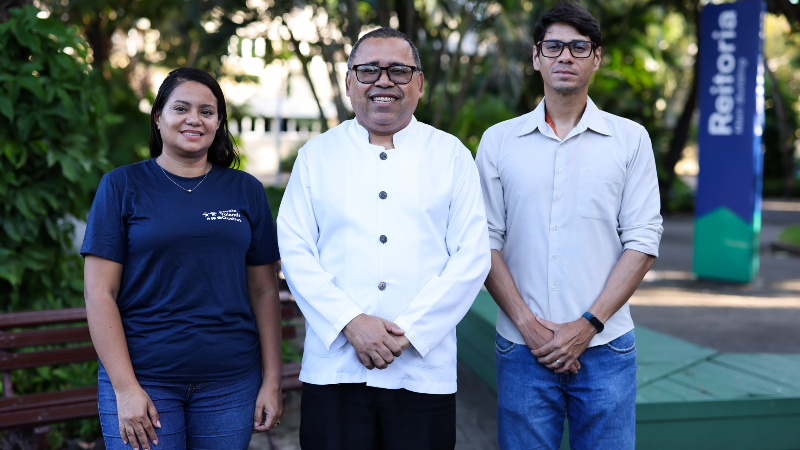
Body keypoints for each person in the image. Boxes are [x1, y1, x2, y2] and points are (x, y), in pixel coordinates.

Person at [277, 28, 490, 450]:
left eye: (398, 70)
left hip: (421, 371)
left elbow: (472, 257)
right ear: (349, 82)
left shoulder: (451, 156)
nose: (383, 81)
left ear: (419, 83)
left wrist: (407, 331)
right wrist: (351, 323)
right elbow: (295, 250)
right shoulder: (316, 156)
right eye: (369, 69)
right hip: (336, 369)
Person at [475, 2, 663, 449]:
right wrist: (527, 324)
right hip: (522, 348)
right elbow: (482, 241)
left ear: (596, 58)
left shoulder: (630, 138)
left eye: (579, 47)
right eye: (554, 46)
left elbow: (643, 240)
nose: (565, 56)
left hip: (606, 348)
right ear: (536, 57)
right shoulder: (498, 141)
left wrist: (587, 325)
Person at [81, 67, 283, 450]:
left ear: (219, 122)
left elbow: (264, 292)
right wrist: (125, 388)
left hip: (231, 383)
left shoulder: (246, 189)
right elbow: (99, 294)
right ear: (158, 118)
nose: (194, 119)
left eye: (207, 111)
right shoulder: (121, 186)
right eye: (181, 108)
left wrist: (272, 381)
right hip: (145, 378)